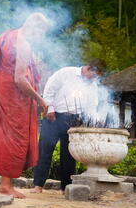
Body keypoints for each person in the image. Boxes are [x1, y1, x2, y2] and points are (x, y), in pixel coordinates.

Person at [0, 13, 50, 199]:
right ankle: (5, 186)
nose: (41, 37)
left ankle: (6, 184)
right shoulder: (23, 44)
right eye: (42, 32)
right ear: (34, 27)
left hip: (4, 94)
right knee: (15, 140)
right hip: (14, 99)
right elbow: (19, 79)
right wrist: (40, 100)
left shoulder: (8, 36)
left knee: (6, 138)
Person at [32, 59, 106, 194]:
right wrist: (50, 109)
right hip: (54, 116)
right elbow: (49, 91)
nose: (94, 78)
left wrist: (96, 119)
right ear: (89, 68)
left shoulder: (92, 85)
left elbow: (91, 107)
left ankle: (65, 187)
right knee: (45, 150)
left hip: (74, 120)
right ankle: (38, 185)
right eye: (94, 75)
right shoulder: (66, 73)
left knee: (69, 155)